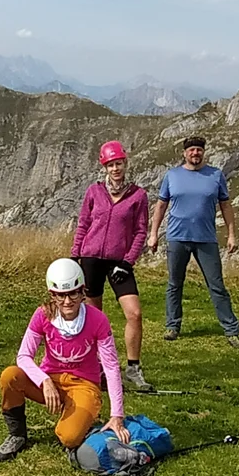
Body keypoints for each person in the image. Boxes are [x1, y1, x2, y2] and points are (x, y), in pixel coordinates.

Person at [0, 259, 130, 461]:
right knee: (10, 376)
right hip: (51, 380)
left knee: (69, 437)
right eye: (60, 295)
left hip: (84, 384)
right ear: (52, 294)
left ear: (82, 291)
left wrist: (117, 415)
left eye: (73, 293)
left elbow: (111, 367)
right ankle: (17, 435)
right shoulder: (42, 314)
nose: (67, 301)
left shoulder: (98, 319)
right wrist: (44, 380)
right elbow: (23, 356)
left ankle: (79, 415)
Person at [146, 136, 239, 349]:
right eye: (191, 150)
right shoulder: (172, 175)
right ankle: (172, 326)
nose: (195, 153)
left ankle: (232, 331)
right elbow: (161, 205)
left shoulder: (215, 175)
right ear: (185, 153)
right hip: (177, 237)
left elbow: (226, 205)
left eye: (199, 149)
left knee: (217, 286)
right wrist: (153, 234)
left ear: (203, 152)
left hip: (206, 239)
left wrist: (231, 235)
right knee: (174, 284)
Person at [72, 140, 153, 391]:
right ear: (104, 167)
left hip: (120, 263)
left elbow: (140, 232)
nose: (115, 169)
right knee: (94, 317)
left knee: (134, 313)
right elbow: (83, 224)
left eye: (119, 164)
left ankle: (133, 368)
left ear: (125, 164)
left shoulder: (138, 195)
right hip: (91, 259)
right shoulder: (94, 192)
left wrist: (128, 262)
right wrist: (75, 256)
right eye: (111, 165)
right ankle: (98, 367)